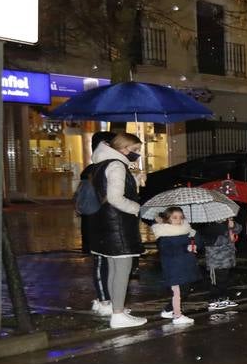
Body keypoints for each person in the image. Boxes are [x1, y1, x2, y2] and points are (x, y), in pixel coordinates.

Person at [82, 132, 147, 328]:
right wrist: (138, 209)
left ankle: (113, 308)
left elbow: (108, 190)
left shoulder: (102, 164)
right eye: (134, 150)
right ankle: (118, 315)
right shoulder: (117, 165)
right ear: (122, 148)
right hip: (118, 225)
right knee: (122, 271)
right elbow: (116, 198)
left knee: (113, 269)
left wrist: (135, 180)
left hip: (104, 224)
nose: (137, 154)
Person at [79, 131, 116, 316]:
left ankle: (106, 299)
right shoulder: (96, 170)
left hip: (101, 223)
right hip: (99, 223)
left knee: (107, 262)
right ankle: (103, 300)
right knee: (102, 261)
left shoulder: (97, 169)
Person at [151, 206, 198, 327]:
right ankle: (177, 316)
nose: (179, 220)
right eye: (175, 217)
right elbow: (168, 249)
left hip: (185, 266)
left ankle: (167, 310)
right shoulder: (164, 234)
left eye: (181, 217)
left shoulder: (186, 231)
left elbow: (198, 242)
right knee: (177, 292)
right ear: (168, 219)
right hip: (174, 268)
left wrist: (194, 240)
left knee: (185, 291)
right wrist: (185, 248)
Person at [197, 214, 240, 311]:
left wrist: (232, 225)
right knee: (215, 281)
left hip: (227, 258)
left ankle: (223, 297)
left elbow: (238, 229)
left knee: (224, 279)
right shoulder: (210, 226)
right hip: (215, 260)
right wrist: (227, 232)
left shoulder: (227, 223)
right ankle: (213, 299)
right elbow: (212, 240)